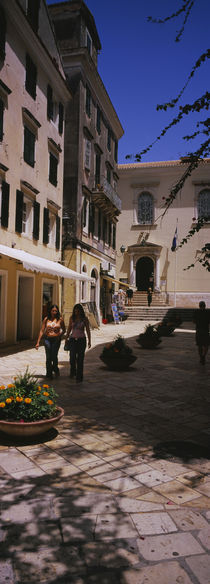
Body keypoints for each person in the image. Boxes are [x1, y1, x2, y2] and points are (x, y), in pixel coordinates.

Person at [35, 304, 66, 378]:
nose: (54, 312)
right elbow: (42, 330)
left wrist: (60, 336)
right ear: (50, 311)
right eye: (53, 311)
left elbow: (64, 330)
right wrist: (38, 342)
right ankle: (49, 373)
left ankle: (55, 369)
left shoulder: (60, 319)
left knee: (54, 356)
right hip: (47, 339)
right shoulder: (46, 319)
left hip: (56, 340)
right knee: (48, 357)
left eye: (55, 311)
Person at [65, 303, 91, 382]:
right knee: (72, 358)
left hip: (81, 340)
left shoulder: (84, 319)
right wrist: (66, 339)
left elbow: (87, 330)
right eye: (75, 311)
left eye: (78, 311)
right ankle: (73, 371)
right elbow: (69, 329)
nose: (77, 313)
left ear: (81, 311)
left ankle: (79, 376)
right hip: (73, 340)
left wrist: (90, 340)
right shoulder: (72, 318)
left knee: (80, 359)